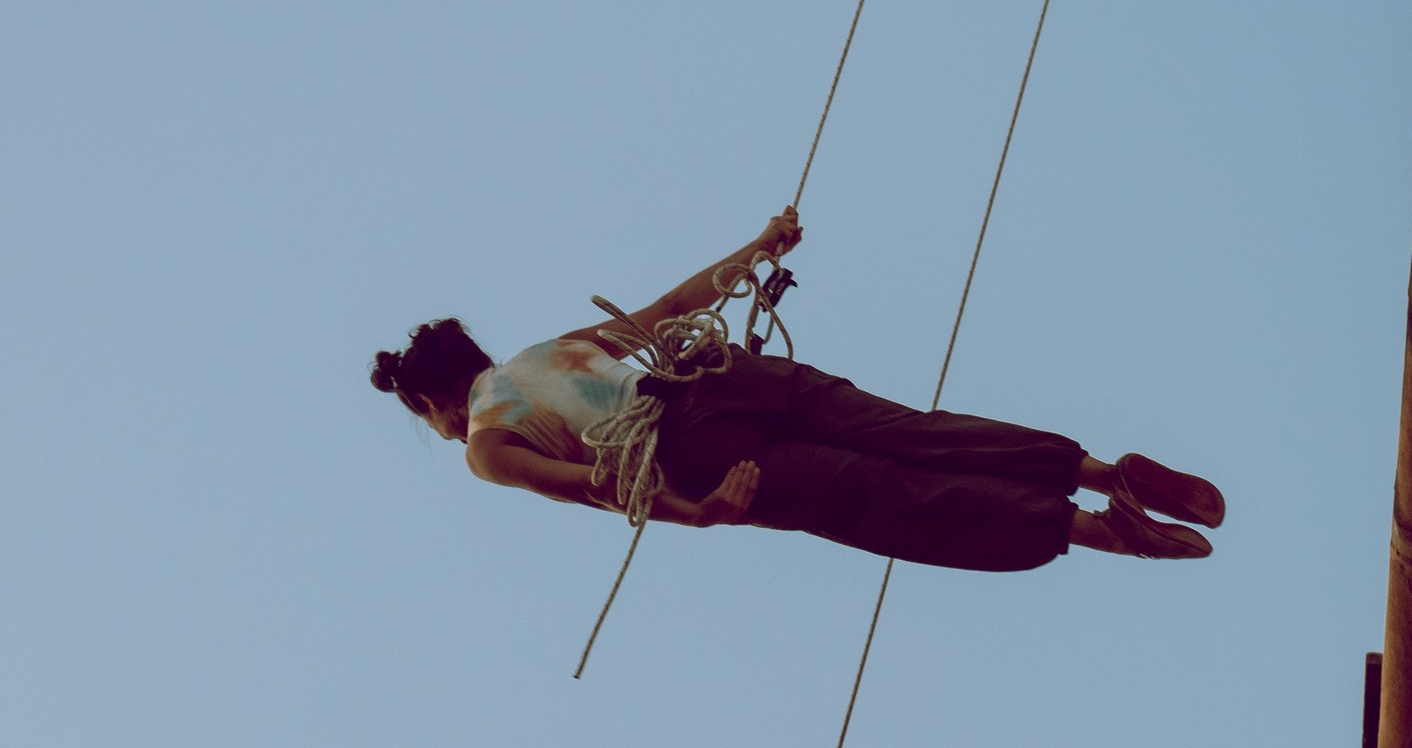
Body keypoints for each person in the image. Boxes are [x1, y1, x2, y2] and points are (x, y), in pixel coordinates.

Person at [371, 209, 1225, 572]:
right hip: (725, 377)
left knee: (890, 500)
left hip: (696, 450)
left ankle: (1102, 534)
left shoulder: (486, 442)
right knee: (916, 432)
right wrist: (761, 243)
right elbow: (674, 307)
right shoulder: (550, 349)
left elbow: (599, 485)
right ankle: (1104, 473)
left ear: (429, 403)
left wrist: (701, 514)